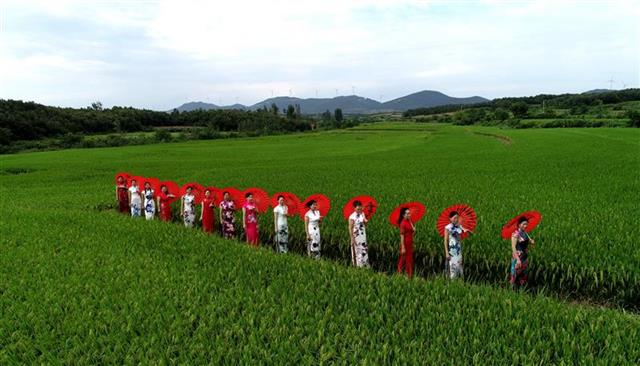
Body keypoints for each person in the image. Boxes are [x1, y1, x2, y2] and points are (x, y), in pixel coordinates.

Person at [444, 211, 471, 279]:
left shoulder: (459, 226)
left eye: (457, 218)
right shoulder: (447, 228)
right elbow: (445, 240)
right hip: (451, 250)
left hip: (458, 250)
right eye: (454, 218)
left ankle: (459, 282)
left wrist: (467, 231)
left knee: (459, 266)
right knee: (452, 267)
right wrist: (447, 253)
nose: (456, 219)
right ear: (450, 218)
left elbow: (464, 230)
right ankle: (452, 283)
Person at [510, 217, 535, 290]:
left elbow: (528, 242)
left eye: (526, 224)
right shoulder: (515, 234)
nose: (525, 226)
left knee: (523, 274)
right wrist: (517, 259)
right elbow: (513, 247)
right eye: (524, 224)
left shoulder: (525, 233)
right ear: (519, 224)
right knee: (515, 274)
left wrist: (531, 242)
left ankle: (521, 292)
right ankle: (512, 291)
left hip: (525, 256)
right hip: (518, 256)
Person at [348, 200, 369, 267]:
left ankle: (365, 264)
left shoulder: (362, 214)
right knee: (358, 250)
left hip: (363, 234)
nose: (359, 210)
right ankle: (358, 266)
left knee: (364, 249)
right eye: (358, 209)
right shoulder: (352, 216)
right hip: (356, 235)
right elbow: (350, 228)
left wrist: (365, 221)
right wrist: (352, 238)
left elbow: (364, 224)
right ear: (354, 208)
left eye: (360, 208)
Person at [397, 207, 415, 278]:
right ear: (403, 215)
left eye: (409, 213)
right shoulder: (403, 223)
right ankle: (400, 273)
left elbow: (411, 234)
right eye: (407, 213)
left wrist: (414, 231)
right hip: (405, 243)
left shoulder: (410, 222)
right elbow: (402, 236)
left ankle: (409, 275)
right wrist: (403, 247)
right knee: (403, 259)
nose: (409, 215)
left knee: (409, 260)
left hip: (410, 243)